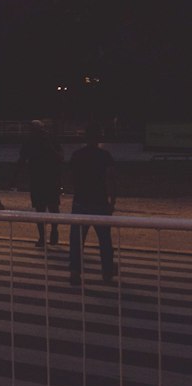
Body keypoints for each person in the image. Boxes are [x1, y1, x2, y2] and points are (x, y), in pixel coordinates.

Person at [67, 123, 118, 287]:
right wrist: (112, 201)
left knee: (76, 240)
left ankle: (75, 271)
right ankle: (107, 272)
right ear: (99, 138)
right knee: (104, 239)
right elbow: (110, 179)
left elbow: (71, 177)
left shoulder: (77, 155)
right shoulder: (105, 156)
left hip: (81, 201)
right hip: (99, 202)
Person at [15, 120, 63, 246]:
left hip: (38, 179)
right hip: (50, 178)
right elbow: (60, 158)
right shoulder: (50, 139)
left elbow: (22, 159)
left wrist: (15, 176)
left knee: (41, 209)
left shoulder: (30, 142)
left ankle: (43, 237)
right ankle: (53, 232)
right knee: (53, 208)